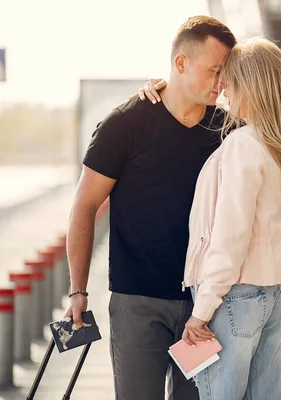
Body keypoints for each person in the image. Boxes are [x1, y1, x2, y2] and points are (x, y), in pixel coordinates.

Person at [142, 37, 281, 399]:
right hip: (271, 297)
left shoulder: (243, 144)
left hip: (234, 298)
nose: (222, 92)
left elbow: (231, 237)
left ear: (250, 85)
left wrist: (201, 312)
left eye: (229, 82)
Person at [64, 16, 236, 400]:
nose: (221, 81)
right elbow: (84, 206)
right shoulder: (125, 124)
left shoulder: (230, 131)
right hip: (137, 303)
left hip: (204, 309)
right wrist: (78, 290)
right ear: (180, 64)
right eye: (214, 70)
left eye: (226, 72)